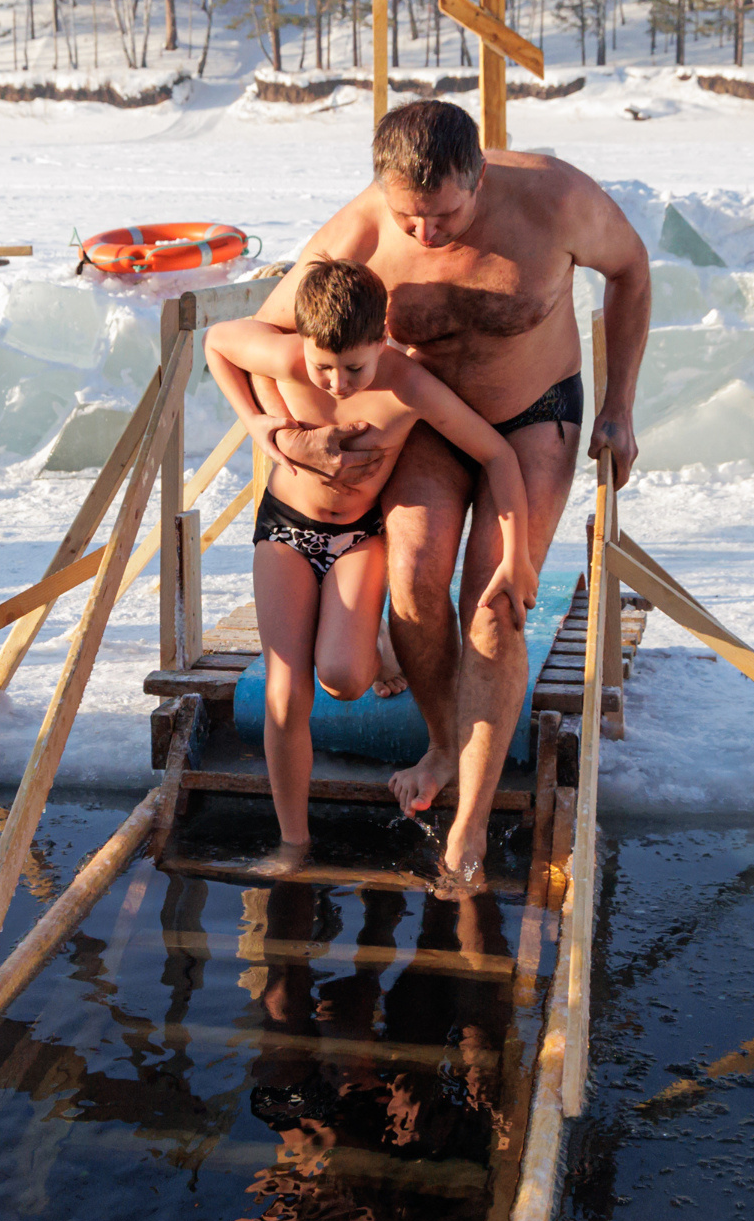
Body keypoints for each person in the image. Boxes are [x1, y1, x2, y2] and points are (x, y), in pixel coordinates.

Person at [249, 100, 651, 885]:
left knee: (496, 603)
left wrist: (620, 406)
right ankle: (443, 743)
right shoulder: (364, 230)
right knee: (412, 577)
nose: (425, 234)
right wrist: (283, 433)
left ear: (479, 176)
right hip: (432, 422)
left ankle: (468, 821)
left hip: (535, 417)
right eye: (410, 219)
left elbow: (631, 269)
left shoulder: (557, 199)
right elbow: (264, 338)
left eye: (443, 214)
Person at [206, 258, 528, 879]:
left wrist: (514, 555)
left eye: (353, 366)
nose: (334, 382)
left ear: (381, 336)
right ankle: (293, 844)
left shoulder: (406, 385)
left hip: (358, 537)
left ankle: (377, 649)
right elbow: (218, 343)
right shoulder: (289, 360)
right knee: (284, 689)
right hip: (286, 528)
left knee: (344, 677)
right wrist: (263, 427)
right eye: (322, 365)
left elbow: (497, 453)